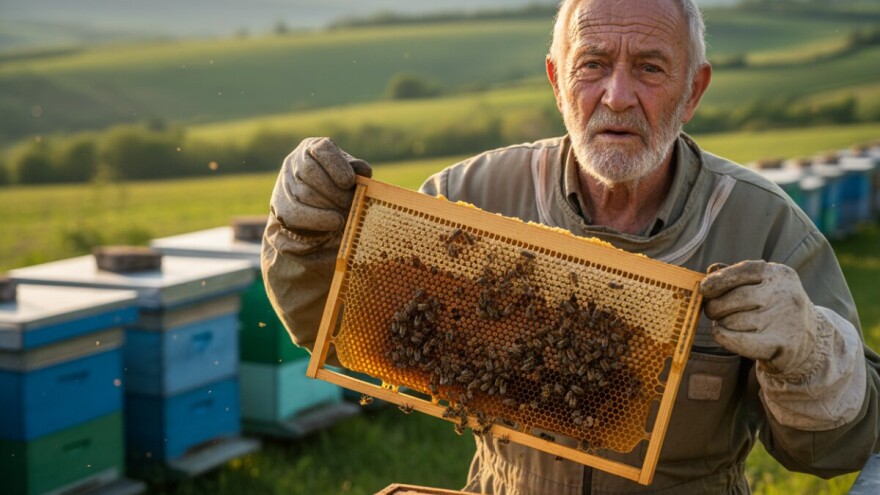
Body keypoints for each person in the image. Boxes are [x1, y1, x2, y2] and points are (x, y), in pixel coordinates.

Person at [261, 0, 880, 492]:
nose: (616, 95)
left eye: (650, 67)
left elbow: (840, 448)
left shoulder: (767, 227)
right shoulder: (469, 195)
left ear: (693, 91)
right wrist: (305, 238)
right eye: (592, 63)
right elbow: (342, 328)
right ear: (558, 80)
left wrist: (811, 354)